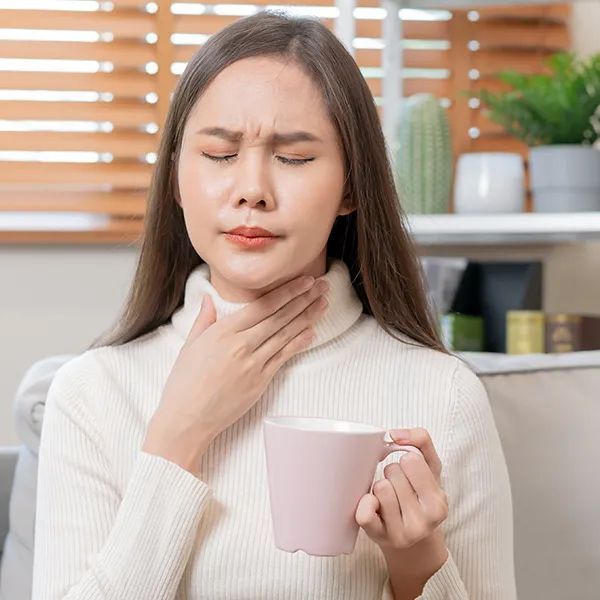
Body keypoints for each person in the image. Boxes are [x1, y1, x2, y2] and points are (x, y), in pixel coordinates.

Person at [31, 10, 517, 600]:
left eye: (293, 158)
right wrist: (178, 435)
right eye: (218, 154)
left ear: (350, 188)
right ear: (177, 180)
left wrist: (415, 563)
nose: (252, 189)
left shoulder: (443, 394)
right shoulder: (92, 392)